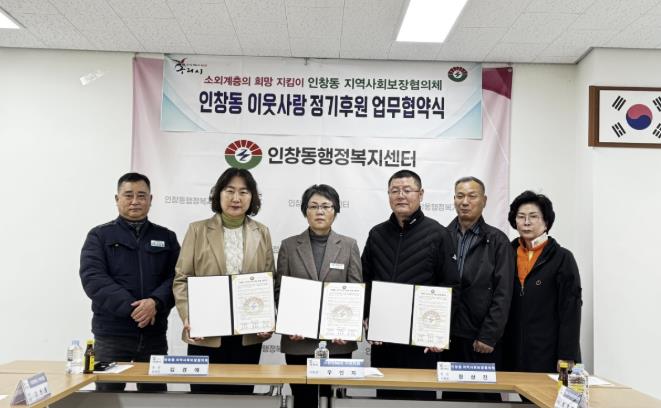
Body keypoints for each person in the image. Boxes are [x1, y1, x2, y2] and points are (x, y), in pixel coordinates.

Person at [172, 167, 275, 394]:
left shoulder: (262, 232)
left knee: (240, 397)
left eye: (243, 192)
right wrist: (189, 316)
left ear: (252, 197)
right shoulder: (197, 230)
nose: (236, 198)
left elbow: (268, 282)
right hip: (205, 332)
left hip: (247, 335)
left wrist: (267, 319)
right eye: (230, 191)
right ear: (218, 194)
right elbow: (182, 279)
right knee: (204, 397)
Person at [362, 170, 459, 400]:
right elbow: (365, 279)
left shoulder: (438, 234)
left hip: (422, 342)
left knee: (419, 401)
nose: (401, 196)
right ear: (388, 195)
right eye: (394, 191)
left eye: (407, 190)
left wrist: (440, 332)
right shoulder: (377, 234)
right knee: (386, 401)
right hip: (384, 340)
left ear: (421, 194)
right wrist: (367, 316)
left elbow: (451, 285)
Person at [80, 172, 180, 392]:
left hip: (154, 334)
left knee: (155, 398)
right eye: (128, 195)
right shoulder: (99, 236)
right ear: (117, 199)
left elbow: (178, 278)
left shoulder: (167, 237)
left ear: (150, 200)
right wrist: (133, 308)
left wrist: (155, 302)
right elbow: (93, 278)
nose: (135, 201)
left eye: (141, 195)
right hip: (111, 335)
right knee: (107, 398)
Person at [275, 184, 362, 408]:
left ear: (335, 211)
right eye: (313, 206)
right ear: (305, 211)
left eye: (326, 206)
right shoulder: (289, 246)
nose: (320, 211)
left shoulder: (349, 246)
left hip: (338, 343)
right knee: (303, 401)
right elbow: (280, 292)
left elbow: (355, 290)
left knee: (334, 402)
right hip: (298, 342)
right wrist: (289, 323)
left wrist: (347, 328)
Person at [443, 177, 514, 401]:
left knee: (484, 399)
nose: (465, 202)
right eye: (460, 196)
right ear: (454, 200)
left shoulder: (497, 240)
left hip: (480, 339)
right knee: (452, 398)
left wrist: (489, 335)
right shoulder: (442, 236)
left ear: (484, 201)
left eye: (472, 196)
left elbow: (504, 293)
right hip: (448, 336)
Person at [503, 190, 582, 374]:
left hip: (549, 352)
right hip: (510, 351)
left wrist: (567, 354)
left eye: (533, 216)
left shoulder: (562, 258)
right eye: (521, 216)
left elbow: (571, 309)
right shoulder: (506, 253)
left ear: (546, 221)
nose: (526, 222)